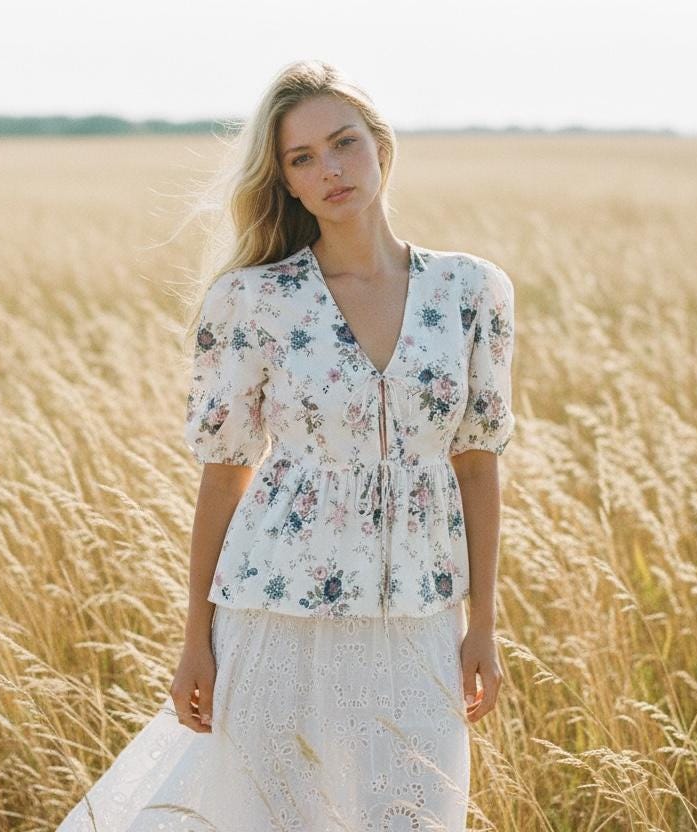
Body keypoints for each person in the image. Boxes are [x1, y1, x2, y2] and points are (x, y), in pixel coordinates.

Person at [55, 58, 516, 832]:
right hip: (274, 616)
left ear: (381, 147)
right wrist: (195, 641)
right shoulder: (252, 299)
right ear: (288, 184)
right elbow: (224, 475)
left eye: (344, 143)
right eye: (303, 159)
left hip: (420, 619)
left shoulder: (472, 292)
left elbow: (476, 462)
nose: (329, 169)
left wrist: (485, 626)